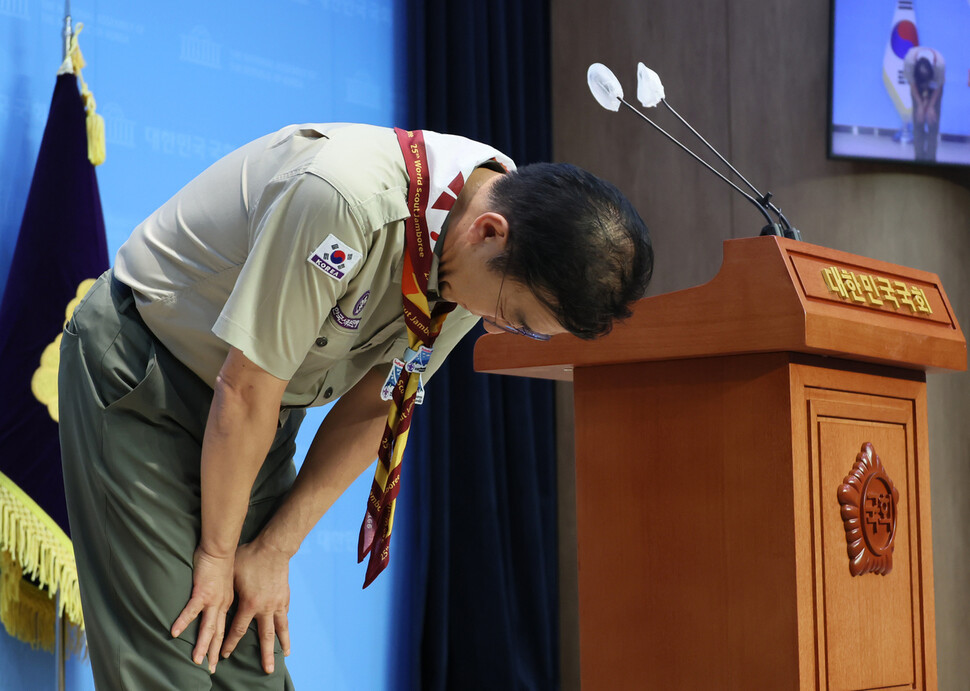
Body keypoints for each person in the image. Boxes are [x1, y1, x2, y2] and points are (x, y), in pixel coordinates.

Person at [58, 122, 653, 689]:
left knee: (250, 661)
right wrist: (217, 553)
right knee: (178, 652)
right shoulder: (344, 199)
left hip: (254, 418)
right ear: (489, 232)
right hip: (147, 371)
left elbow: (381, 401)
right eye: (514, 318)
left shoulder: (479, 246)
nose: (497, 326)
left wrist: (273, 549)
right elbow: (245, 389)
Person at [903, 46, 946, 162]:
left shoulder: (939, 64)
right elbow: (912, 84)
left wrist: (931, 106)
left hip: (935, 88)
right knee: (918, 120)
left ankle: (931, 159)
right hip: (917, 87)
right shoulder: (909, 61)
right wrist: (920, 105)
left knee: (933, 121)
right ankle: (919, 158)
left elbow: (938, 87)